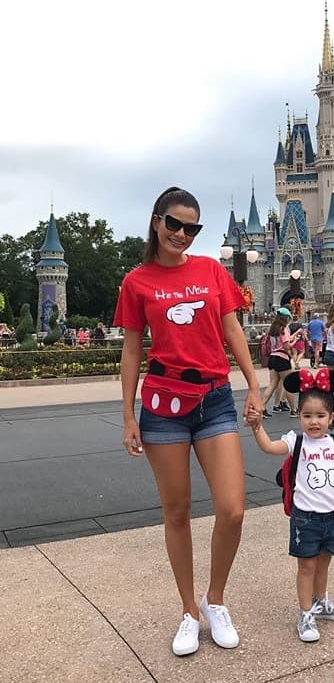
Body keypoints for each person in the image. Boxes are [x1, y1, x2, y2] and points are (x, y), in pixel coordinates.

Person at [114, 186, 262, 657]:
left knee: (233, 508)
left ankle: (214, 598)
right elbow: (133, 347)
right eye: (174, 224)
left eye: (191, 228)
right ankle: (187, 611)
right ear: (157, 221)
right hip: (163, 405)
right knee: (177, 513)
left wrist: (254, 385)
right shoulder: (137, 281)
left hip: (214, 397)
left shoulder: (212, 271)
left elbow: (231, 328)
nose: (182, 234)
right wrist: (127, 414)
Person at [248, 368, 334, 642]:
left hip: (331, 515)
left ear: (332, 417)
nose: (314, 422)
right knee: (307, 567)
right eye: (307, 415)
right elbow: (269, 447)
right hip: (305, 517)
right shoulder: (296, 441)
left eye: (320, 416)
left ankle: (320, 602)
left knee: (323, 564)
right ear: (300, 416)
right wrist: (257, 427)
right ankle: (305, 613)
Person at [261, 309, 300, 418]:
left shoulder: (273, 329)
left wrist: (291, 339)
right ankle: (294, 410)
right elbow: (286, 346)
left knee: (272, 385)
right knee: (290, 384)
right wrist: (295, 342)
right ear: (286, 318)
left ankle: (262, 407)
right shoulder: (284, 328)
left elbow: (281, 341)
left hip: (272, 358)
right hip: (282, 358)